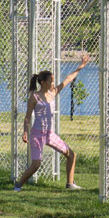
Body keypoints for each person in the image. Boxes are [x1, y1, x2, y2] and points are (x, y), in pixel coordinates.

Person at [13, 51, 90, 192]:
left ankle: (70, 184)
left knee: (71, 155)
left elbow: (68, 79)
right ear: (43, 83)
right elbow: (27, 117)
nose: (53, 83)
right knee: (36, 164)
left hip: (50, 134)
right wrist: (25, 131)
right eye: (51, 81)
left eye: (53, 81)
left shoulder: (53, 92)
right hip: (37, 134)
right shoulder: (34, 97)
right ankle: (18, 186)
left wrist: (81, 66)